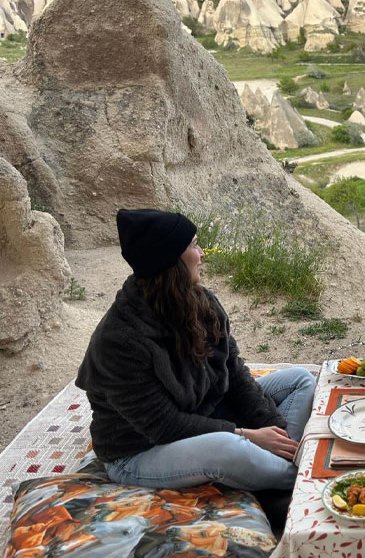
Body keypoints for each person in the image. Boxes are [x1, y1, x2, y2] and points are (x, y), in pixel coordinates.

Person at [76, 208, 315, 526]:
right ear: (171, 260)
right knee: (227, 448)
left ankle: (272, 474)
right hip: (139, 451)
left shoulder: (201, 301)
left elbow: (235, 375)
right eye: (194, 245)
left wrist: (276, 433)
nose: (202, 254)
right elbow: (164, 426)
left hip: (204, 412)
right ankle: (304, 482)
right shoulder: (119, 340)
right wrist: (246, 435)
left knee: (299, 380)